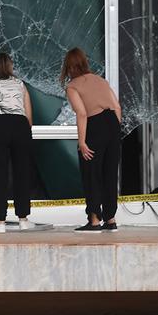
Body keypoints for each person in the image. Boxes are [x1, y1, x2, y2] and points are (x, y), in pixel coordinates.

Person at [61, 47, 122, 233]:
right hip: (112, 123)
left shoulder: (72, 86)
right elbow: (117, 107)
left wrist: (82, 142)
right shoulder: (101, 80)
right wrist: (113, 131)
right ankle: (110, 219)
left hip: (94, 125)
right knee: (109, 173)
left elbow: (81, 113)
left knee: (92, 173)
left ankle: (94, 220)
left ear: (68, 66)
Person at [0, 52, 36, 233]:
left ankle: (0, 222)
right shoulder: (20, 84)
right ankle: (23, 219)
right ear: (10, 66)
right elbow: (29, 115)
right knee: (22, 174)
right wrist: (26, 134)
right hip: (20, 126)